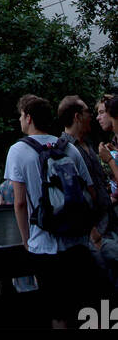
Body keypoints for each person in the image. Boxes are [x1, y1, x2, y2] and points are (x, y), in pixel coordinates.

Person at [4, 93, 98, 328]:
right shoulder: (69, 148)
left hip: (45, 245)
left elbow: (20, 203)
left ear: (28, 117)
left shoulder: (18, 151)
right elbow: (91, 193)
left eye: (20, 116)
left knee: (58, 314)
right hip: (77, 243)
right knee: (85, 313)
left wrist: (26, 239)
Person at [57, 94, 118, 289]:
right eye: (87, 111)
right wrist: (94, 235)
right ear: (77, 116)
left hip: (110, 227)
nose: (91, 115)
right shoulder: (65, 149)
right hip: (95, 236)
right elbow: (72, 196)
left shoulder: (90, 145)